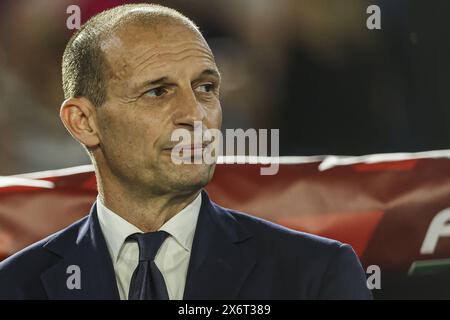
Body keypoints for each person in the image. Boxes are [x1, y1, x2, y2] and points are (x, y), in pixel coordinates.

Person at [0, 3, 372, 300]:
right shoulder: (16, 286)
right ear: (83, 121)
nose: (195, 114)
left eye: (206, 87)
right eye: (158, 92)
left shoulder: (314, 274)